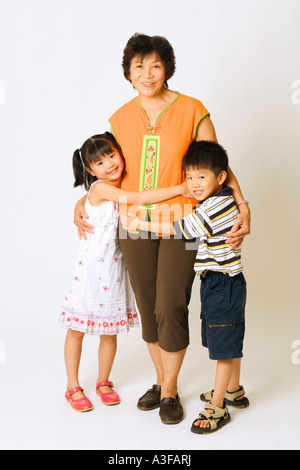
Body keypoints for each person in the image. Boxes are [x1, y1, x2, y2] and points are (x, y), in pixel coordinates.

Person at [74, 34, 251, 424]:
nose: (147, 73)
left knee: (171, 305)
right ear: (128, 74)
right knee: (149, 309)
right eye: (139, 67)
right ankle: (160, 380)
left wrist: (242, 203)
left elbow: (216, 162)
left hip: (181, 224)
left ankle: (170, 390)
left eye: (155, 65)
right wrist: (80, 203)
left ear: (167, 68)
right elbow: (104, 170)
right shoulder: (120, 117)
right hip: (133, 225)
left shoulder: (192, 110)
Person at [122, 140, 249, 433]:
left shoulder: (216, 206)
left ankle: (218, 405)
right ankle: (234, 391)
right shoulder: (218, 197)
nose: (193, 184)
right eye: (189, 177)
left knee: (223, 345)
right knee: (224, 336)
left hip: (223, 282)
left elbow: (182, 229)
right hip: (216, 279)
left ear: (221, 177)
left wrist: (141, 225)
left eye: (201, 177)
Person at [60, 132, 189, 412]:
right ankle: (72, 386)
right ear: (90, 171)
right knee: (78, 328)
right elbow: (141, 197)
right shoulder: (101, 189)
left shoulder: (120, 184)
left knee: (109, 331)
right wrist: (180, 189)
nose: (108, 164)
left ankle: (103, 381)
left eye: (111, 156)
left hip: (114, 273)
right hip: (91, 271)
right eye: (99, 163)